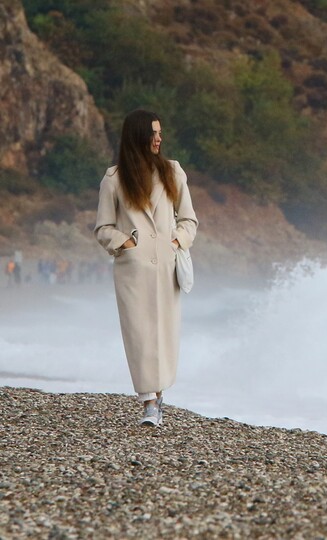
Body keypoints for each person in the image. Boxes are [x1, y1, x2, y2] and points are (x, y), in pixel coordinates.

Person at [95, 109, 198, 426]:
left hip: (166, 267)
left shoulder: (173, 172)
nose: (159, 138)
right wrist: (126, 243)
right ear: (138, 135)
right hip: (133, 270)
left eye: (160, 132)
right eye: (153, 132)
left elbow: (189, 219)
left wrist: (176, 242)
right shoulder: (114, 179)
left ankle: (160, 393)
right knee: (138, 333)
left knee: (165, 332)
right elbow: (103, 228)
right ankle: (149, 403)